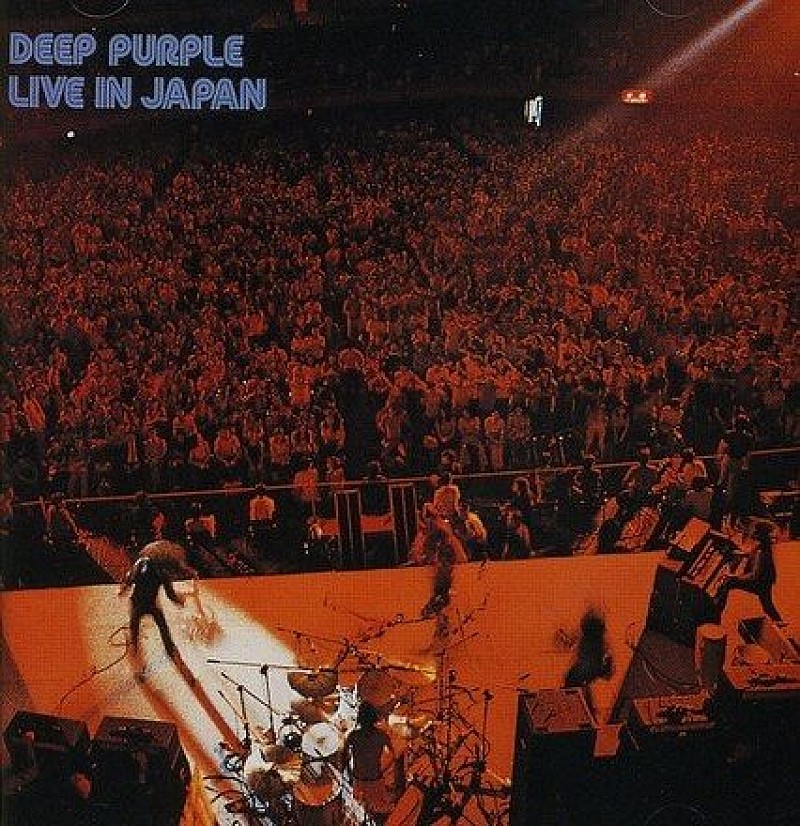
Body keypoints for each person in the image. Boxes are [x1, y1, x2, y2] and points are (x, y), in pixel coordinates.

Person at [118, 541, 198, 681]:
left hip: (137, 603)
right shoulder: (163, 573)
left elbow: (129, 579)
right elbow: (171, 595)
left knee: (134, 631)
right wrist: (181, 601)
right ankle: (170, 649)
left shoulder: (140, 563)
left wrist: (124, 589)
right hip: (151, 605)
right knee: (163, 628)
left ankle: (135, 653)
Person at [344, 701, 398, 825]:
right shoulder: (382, 736)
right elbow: (393, 755)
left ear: (360, 718)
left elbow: (344, 758)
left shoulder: (353, 736)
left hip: (359, 779)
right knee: (381, 811)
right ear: (374, 717)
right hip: (375, 778)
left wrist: (350, 775)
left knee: (362, 808)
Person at [721, 520, 782, 623]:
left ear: (760, 534)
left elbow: (753, 576)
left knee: (729, 583)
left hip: (759, 583)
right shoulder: (762, 547)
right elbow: (749, 553)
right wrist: (738, 552)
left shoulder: (761, 552)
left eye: (755, 531)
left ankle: (718, 610)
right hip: (765, 581)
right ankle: (779, 622)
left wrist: (734, 577)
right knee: (767, 604)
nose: (753, 533)